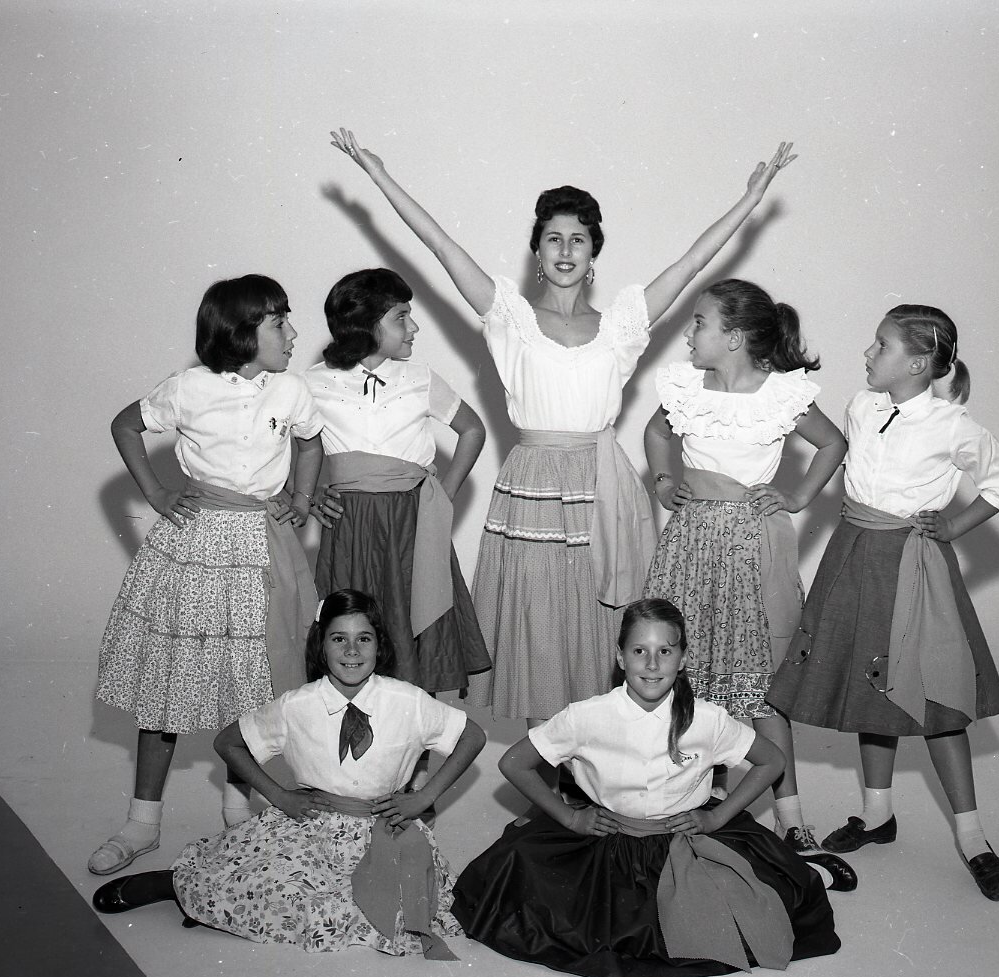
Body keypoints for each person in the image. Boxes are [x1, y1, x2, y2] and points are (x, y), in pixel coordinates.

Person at [328, 127, 796, 730]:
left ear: (593, 253)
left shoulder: (624, 321)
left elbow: (690, 263)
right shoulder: (509, 317)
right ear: (538, 254)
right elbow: (441, 246)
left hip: (603, 492)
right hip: (533, 490)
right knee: (539, 631)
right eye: (554, 239)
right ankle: (549, 793)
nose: (566, 250)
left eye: (578, 239)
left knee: (606, 633)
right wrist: (379, 175)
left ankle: (602, 785)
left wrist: (750, 201)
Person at [766, 305, 999, 900]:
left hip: (913, 567)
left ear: (916, 363)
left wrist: (954, 528)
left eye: (880, 345)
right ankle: (877, 814)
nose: (867, 353)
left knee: (938, 699)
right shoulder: (862, 407)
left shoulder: (951, 424)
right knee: (871, 686)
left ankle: (973, 838)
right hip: (854, 557)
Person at [450, 598, 844, 977]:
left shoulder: (708, 719)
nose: (652, 665)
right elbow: (513, 763)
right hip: (607, 842)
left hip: (683, 837)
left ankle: (812, 873)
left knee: (770, 900)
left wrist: (718, 816)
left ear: (682, 658)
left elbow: (771, 760)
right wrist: (570, 816)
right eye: (640, 651)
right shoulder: (587, 716)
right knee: (530, 895)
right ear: (621, 658)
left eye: (665, 651)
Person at [92, 589, 487, 957]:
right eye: (338, 639)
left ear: (379, 644)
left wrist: (424, 796)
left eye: (363, 639)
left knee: (410, 909)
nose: (352, 651)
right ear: (321, 645)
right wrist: (280, 796)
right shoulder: (297, 705)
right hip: (313, 826)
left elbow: (472, 735)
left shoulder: (407, 700)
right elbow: (228, 743)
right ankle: (174, 885)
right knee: (276, 892)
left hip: (384, 828)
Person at [88, 275, 324, 876]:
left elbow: (310, 443)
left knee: (251, 686)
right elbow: (125, 426)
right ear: (243, 334)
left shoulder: (292, 390)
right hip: (194, 549)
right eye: (280, 324)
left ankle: (238, 812)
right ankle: (143, 822)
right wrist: (158, 492)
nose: (293, 334)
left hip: (260, 550)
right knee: (168, 687)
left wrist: (301, 495)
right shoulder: (189, 388)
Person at [643, 279, 847, 866]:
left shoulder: (781, 395)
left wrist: (799, 496)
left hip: (751, 551)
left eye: (699, 323)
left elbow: (832, 443)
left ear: (733, 337)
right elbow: (658, 432)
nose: (688, 333)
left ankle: (792, 822)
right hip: (690, 545)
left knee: (759, 688)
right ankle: (680, 799)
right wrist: (662, 480)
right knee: (684, 675)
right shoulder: (686, 388)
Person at [306, 267, 490, 694]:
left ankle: (416, 755)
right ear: (366, 326)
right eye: (401, 317)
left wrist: (442, 496)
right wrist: (310, 492)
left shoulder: (419, 377)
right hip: (350, 526)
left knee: (414, 633)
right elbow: (294, 448)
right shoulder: (312, 383)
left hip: (411, 524)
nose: (414, 327)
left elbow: (473, 430)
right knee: (351, 634)